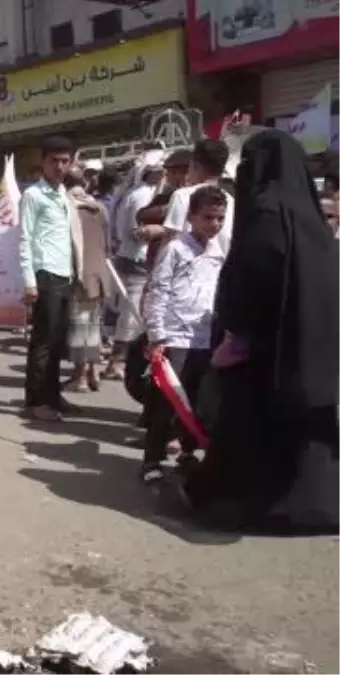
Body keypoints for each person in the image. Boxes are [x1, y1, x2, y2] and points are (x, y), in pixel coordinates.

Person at [183, 130, 340, 528]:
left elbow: (247, 283)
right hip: (309, 349)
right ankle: (317, 502)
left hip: (262, 354)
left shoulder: (266, 217)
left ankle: (253, 502)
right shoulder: (313, 222)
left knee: (255, 427)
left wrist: (233, 327)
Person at [140, 186, 229, 484]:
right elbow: (158, 291)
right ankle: (151, 459)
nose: (214, 224)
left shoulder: (217, 252)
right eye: (208, 218)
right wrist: (156, 335)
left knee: (197, 401)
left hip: (204, 339)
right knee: (167, 402)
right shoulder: (175, 249)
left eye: (220, 218)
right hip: (174, 337)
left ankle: (187, 452)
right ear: (191, 217)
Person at [20, 136, 78, 421]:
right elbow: (24, 240)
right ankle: (35, 401)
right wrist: (29, 281)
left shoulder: (63, 193)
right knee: (42, 342)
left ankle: (53, 396)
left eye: (65, 161)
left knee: (58, 341)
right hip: (45, 275)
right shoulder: (34, 195)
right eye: (54, 161)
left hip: (65, 274)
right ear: (43, 162)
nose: (59, 166)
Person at [102, 159, 164, 380]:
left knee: (129, 311)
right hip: (137, 258)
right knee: (132, 313)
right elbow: (137, 231)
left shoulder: (132, 193)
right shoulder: (143, 196)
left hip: (128, 257)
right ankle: (117, 361)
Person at [139, 139, 234, 261]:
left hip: (189, 274)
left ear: (194, 165)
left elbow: (169, 242)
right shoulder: (231, 201)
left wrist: (156, 276)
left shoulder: (182, 196)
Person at [64, 167, 110, 393]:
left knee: (81, 328)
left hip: (79, 274)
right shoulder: (99, 207)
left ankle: (80, 377)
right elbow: (108, 244)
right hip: (99, 273)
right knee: (93, 325)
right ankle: (92, 373)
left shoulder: (66, 207)